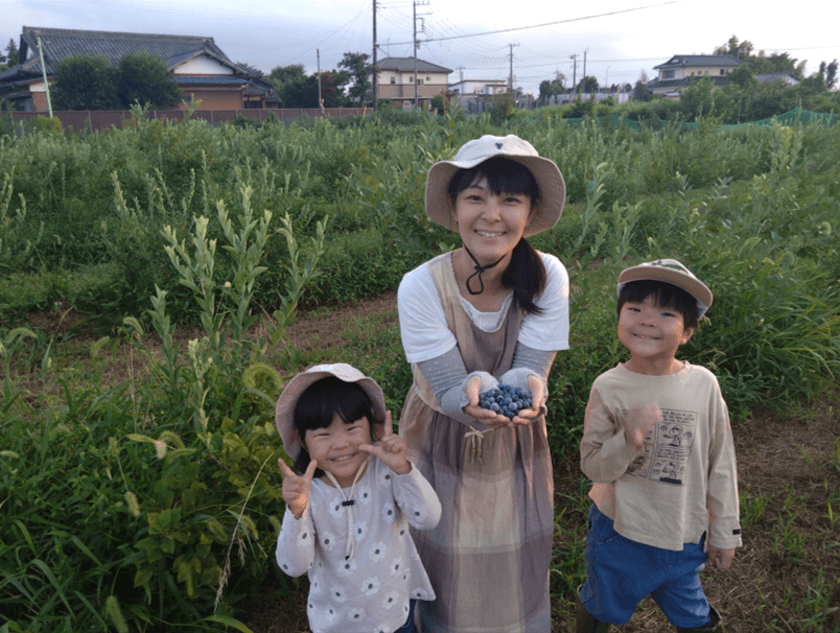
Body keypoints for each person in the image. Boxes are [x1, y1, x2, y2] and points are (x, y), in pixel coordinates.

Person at [397, 134, 570, 633]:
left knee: (513, 566)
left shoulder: (547, 275)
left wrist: (525, 386)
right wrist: (473, 392)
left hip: (514, 446)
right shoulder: (421, 285)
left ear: (530, 212)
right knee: (444, 563)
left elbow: (529, 370)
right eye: (475, 197)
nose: (491, 214)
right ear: (454, 208)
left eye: (509, 199)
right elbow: (451, 389)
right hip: (441, 440)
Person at [577, 259, 742, 633]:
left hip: (684, 533)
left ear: (687, 333)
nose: (648, 320)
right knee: (603, 604)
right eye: (635, 309)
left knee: (694, 617)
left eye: (666, 313)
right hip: (620, 533)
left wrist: (724, 530)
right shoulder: (608, 386)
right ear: (619, 318)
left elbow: (721, 461)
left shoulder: (703, 384)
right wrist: (627, 439)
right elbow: (594, 466)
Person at [275, 363, 442, 633]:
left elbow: (429, 518)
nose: (340, 443)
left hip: (396, 615)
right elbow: (293, 566)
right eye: (323, 434)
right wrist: (297, 512)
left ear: (372, 428)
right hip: (337, 625)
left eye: (352, 428)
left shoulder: (387, 472)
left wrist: (403, 469)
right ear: (303, 442)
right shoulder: (309, 495)